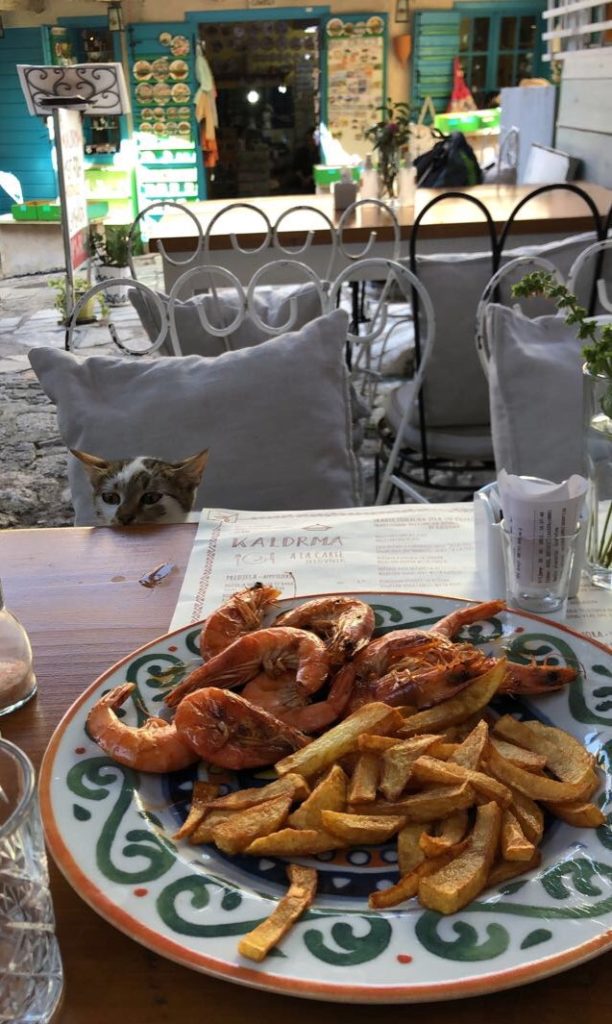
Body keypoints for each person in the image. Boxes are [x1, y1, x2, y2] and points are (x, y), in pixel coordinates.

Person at [291, 127, 320, 193]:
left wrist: (310, 178)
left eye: (311, 139)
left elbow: (320, 167)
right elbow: (296, 167)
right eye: (307, 140)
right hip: (301, 179)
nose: (309, 142)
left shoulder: (320, 152)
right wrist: (303, 179)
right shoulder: (301, 151)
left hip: (315, 179)